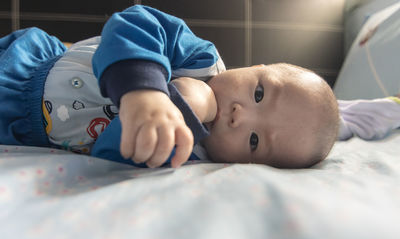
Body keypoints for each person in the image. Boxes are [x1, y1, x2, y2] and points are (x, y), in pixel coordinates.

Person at [1, 5, 397, 169]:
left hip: (20, 130)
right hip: (23, 68)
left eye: (255, 141)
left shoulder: (188, 157)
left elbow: (114, 154)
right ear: (256, 65)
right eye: (259, 93)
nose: (241, 115)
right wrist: (147, 93)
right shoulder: (200, 59)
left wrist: (183, 105)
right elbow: (135, 23)